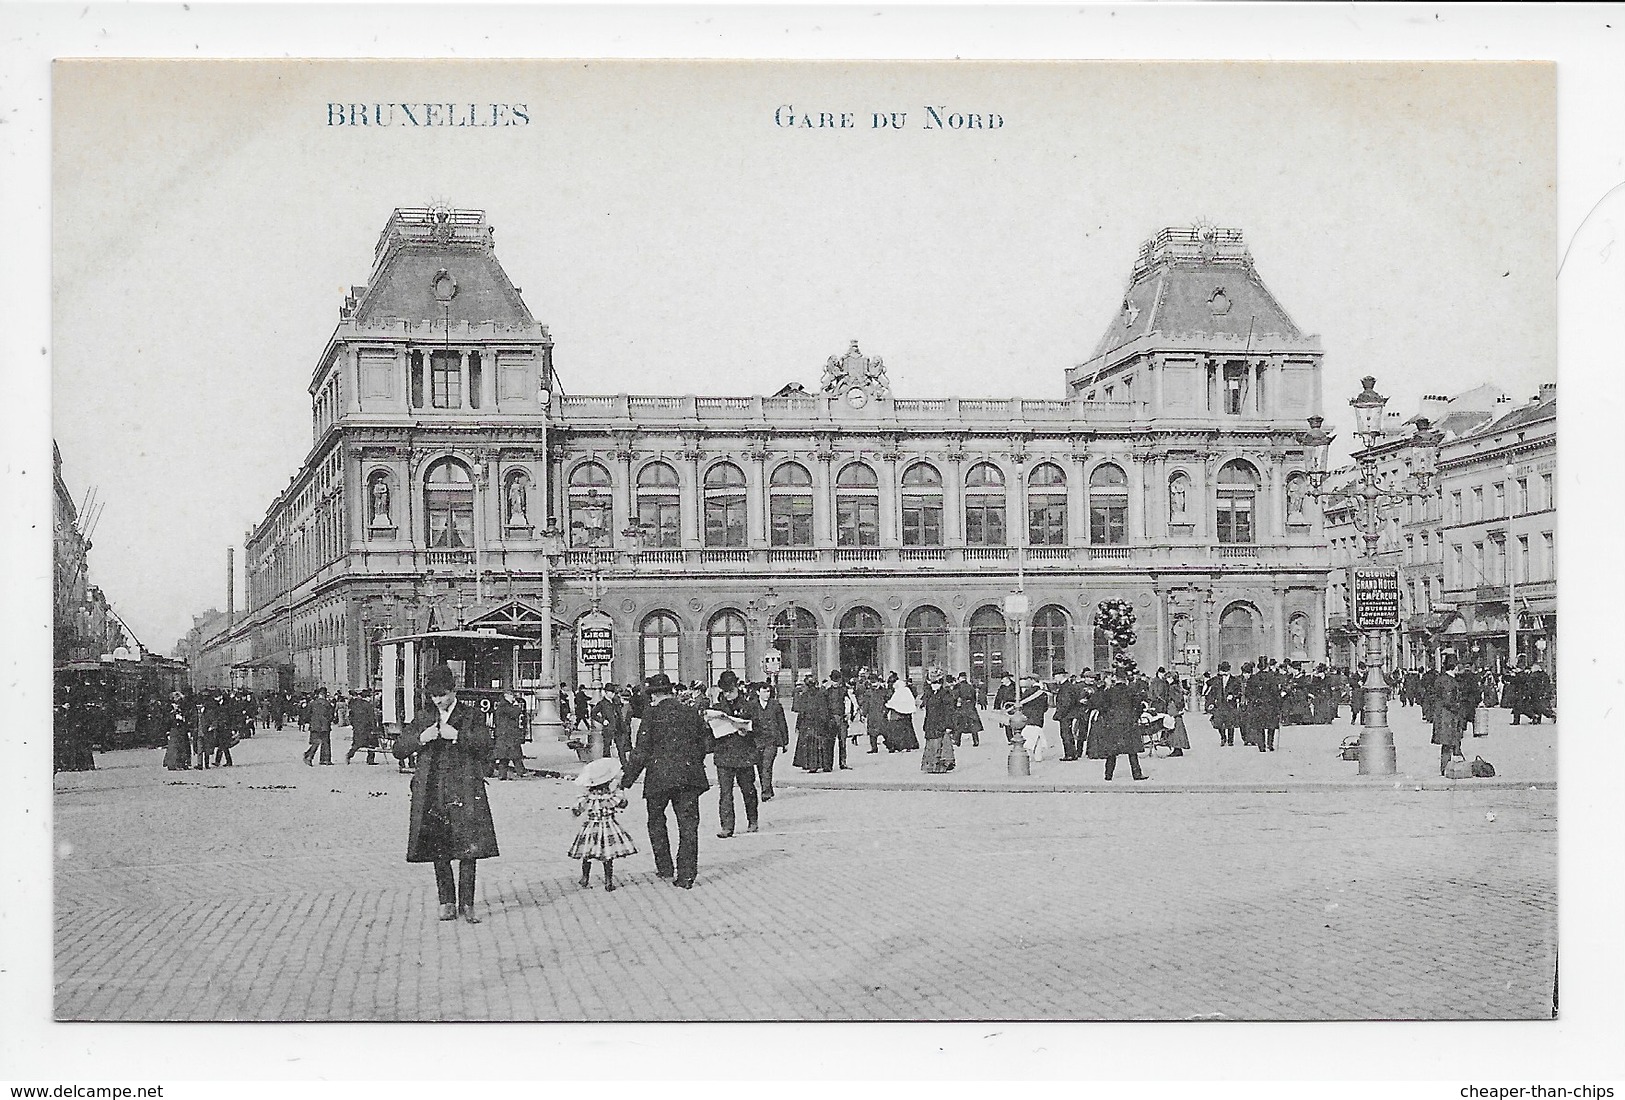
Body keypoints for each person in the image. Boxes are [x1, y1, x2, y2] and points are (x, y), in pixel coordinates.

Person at [394, 666, 499, 923]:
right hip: (433, 790)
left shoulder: (471, 715)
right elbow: (399, 749)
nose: (437, 701)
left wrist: (459, 736)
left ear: (453, 690)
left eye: (442, 695)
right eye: (433, 696)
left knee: (468, 849)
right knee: (438, 848)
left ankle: (467, 904)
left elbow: (487, 746)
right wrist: (421, 738)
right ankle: (447, 902)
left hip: (464, 788)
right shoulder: (423, 717)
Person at [620, 672, 712, 889]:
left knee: (656, 822)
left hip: (659, 778)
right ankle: (687, 875)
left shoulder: (650, 715)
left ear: (654, 695)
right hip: (689, 778)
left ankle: (665, 867)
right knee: (688, 826)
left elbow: (640, 752)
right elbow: (705, 744)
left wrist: (626, 781)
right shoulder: (691, 713)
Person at [569, 757, 638, 892]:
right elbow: (623, 804)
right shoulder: (611, 796)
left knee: (587, 855)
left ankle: (585, 878)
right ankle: (608, 881)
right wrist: (620, 790)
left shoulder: (587, 798)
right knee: (608, 856)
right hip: (608, 826)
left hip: (591, 827)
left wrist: (576, 810)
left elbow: (577, 810)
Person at [708, 671, 760, 838]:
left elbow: (759, 728)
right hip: (724, 755)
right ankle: (727, 826)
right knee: (725, 793)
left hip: (744, 754)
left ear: (737, 688)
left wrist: (748, 732)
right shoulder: (716, 709)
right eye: (725, 691)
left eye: (731, 690)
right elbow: (709, 734)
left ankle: (752, 820)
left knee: (748, 790)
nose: (728, 695)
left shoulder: (749, 706)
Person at [1088, 663, 1149, 781]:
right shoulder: (1131, 690)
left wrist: (1108, 719)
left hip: (1113, 725)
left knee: (1112, 752)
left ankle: (1108, 775)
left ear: (1115, 678)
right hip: (1129, 725)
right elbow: (1138, 706)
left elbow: (1101, 706)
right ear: (1125, 678)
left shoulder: (1109, 691)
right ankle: (1137, 774)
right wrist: (1134, 718)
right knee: (1132, 752)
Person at [746, 681, 789, 801]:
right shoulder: (752, 705)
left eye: (768, 691)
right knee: (760, 766)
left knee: (767, 765)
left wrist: (784, 742)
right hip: (757, 741)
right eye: (764, 691)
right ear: (758, 692)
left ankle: (765, 792)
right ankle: (768, 787)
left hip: (771, 741)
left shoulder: (776, 705)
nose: (767, 694)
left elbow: (782, 723)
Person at [1428, 655, 1470, 776]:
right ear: (1455, 667)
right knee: (1450, 742)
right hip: (1449, 716)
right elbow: (1448, 700)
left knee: (1449, 743)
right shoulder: (1449, 681)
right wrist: (1458, 706)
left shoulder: (1441, 678)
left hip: (1442, 715)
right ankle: (1448, 768)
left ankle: (1447, 766)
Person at [919, 668, 956, 774]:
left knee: (941, 746)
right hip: (931, 723)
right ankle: (930, 766)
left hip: (942, 723)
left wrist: (949, 726)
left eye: (937, 683)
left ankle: (940, 766)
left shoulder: (946, 694)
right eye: (933, 683)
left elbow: (949, 711)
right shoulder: (930, 694)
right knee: (931, 745)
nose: (934, 685)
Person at [492, 689, 528, 779]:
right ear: (506, 696)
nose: (513, 697)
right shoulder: (505, 706)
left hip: (504, 734)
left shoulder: (501, 705)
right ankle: (520, 772)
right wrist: (516, 706)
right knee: (514, 754)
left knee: (504, 757)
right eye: (512, 695)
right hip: (508, 734)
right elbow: (514, 713)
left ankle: (503, 774)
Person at [1205, 662, 1242, 747]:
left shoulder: (1235, 680)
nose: (1224, 673)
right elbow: (1211, 693)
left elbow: (1239, 692)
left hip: (1230, 705)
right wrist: (1210, 703)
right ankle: (1223, 737)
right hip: (1219, 704)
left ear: (1229, 671)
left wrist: (1233, 696)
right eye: (1222, 671)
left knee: (1230, 722)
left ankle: (1230, 740)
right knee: (1218, 722)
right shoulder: (1216, 680)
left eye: (1225, 671)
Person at [594, 683, 633, 762]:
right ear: (606, 692)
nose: (612, 694)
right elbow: (593, 714)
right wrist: (602, 721)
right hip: (608, 728)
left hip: (618, 727)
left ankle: (624, 765)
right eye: (610, 692)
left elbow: (619, 714)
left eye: (613, 692)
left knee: (621, 748)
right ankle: (606, 765)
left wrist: (623, 725)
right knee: (607, 748)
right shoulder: (602, 703)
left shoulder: (615, 702)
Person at [1017, 676, 1052, 762]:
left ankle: (1026, 756)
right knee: (1038, 737)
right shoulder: (1043, 692)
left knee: (1026, 737)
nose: (1025, 682)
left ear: (1031, 680)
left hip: (1029, 717)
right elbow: (1045, 708)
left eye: (1027, 680)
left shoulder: (1030, 691)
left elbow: (1021, 702)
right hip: (1039, 717)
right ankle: (1038, 756)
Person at [346, 689, 381, 765]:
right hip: (367, 727)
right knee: (372, 744)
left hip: (358, 727)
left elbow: (350, 716)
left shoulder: (355, 704)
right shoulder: (368, 705)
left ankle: (349, 755)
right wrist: (374, 727)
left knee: (357, 744)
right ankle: (370, 759)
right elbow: (372, 717)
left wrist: (353, 724)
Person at [304, 687, 334, 766]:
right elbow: (331, 715)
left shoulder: (312, 703)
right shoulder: (328, 704)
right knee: (326, 742)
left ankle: (309, 756)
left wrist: (310, 721)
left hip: (315, 725)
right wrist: (328, 721)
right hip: (325, 726)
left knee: (316, 742)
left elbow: (307, 714)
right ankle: (326, 760)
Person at [952, 672, 983, 748]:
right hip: (970, 707)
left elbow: (955, 697)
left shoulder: (957, 687)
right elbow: (974, 698)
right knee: (973, 725)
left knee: (959, 724)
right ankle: (976, 741)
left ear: (959, 678)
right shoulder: (970, 686)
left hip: (961, 706)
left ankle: (957, 741)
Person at [163, 691, 191, 771]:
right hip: (174, 730)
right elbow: (166, 720)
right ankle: (173, 764)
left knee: (182, 747)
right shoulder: (169, 708)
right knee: (174, 748)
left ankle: (182, 763)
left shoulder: (181, 708)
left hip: (181, 730)